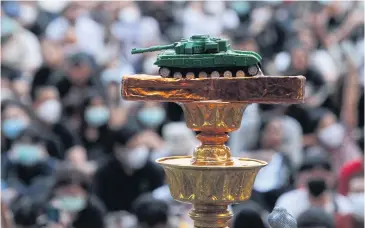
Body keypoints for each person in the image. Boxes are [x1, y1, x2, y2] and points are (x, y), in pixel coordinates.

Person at [93, 126, 165, 212]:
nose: (138, 151)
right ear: (118, 149)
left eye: (140, 145)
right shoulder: (104, 172)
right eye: (132, 147)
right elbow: (98, 200)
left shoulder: (153, 170)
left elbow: (159, 197)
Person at [276, 154, 354, 226]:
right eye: (310, 171)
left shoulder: (342, 204)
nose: (317, 174)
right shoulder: (288, 200)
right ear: (300, 177)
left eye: (324, 170)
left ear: (332, 177)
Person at [2, 127, 57, 205]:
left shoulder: (48, 166)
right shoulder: (10, 164)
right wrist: (8, 158)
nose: (27, 147)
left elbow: (56, 175)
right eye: (23, 144)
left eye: (31, 144)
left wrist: (46, 160)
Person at [32, 85, 79, 158]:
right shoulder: (30, 130)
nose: (51, 104)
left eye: (54, 100)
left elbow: (75, 147)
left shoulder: (65, 129)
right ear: (36, 104)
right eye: (46, 100)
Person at [79, 90, 113, 161]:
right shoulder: (77, 129)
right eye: (94, 106)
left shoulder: (111, 130)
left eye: (100, 105)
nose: (97, 109)